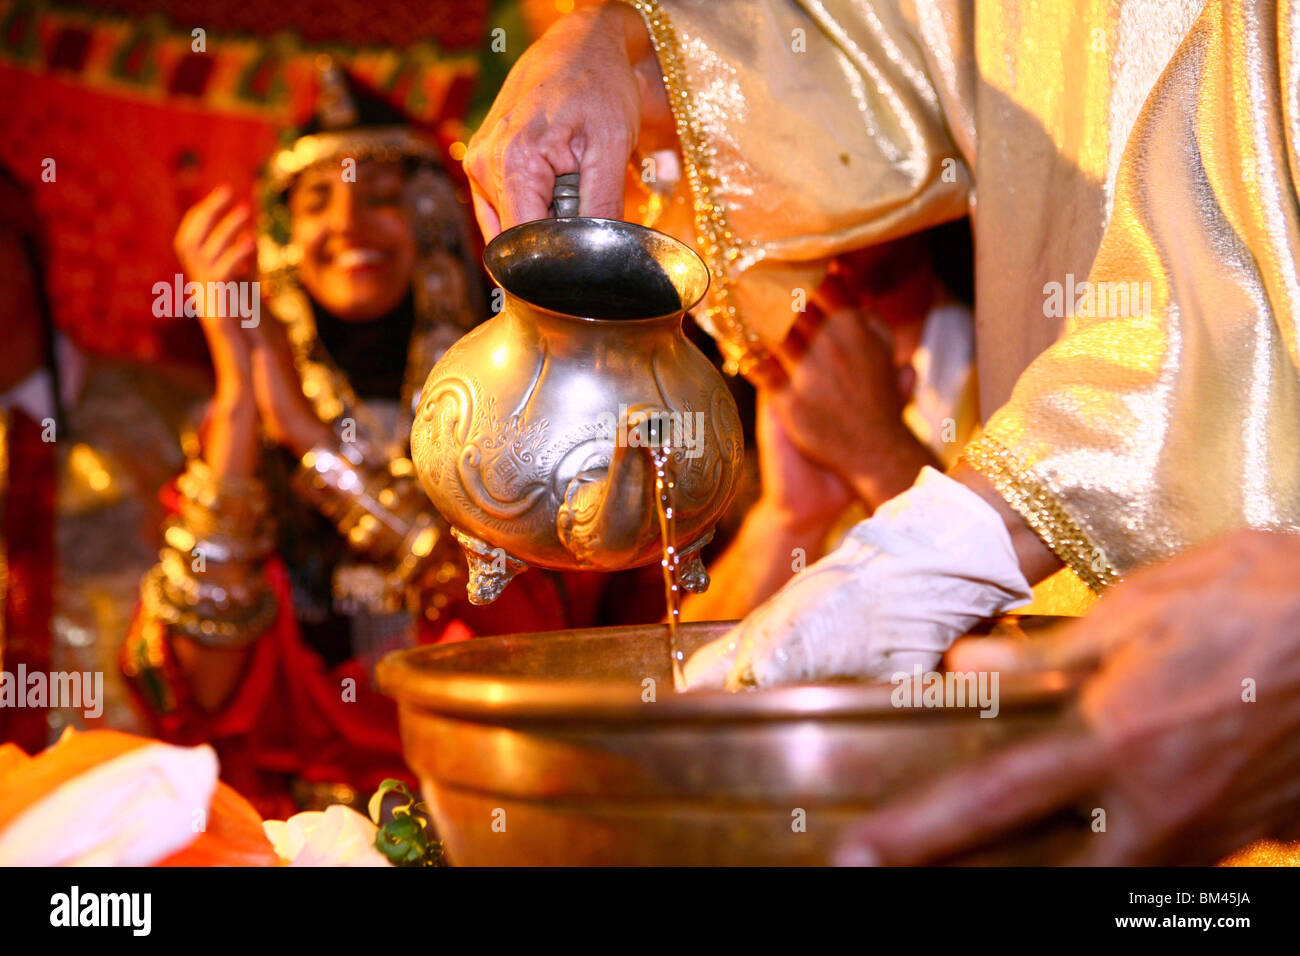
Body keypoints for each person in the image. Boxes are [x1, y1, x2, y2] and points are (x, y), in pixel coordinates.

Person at [464, 0, 1299, 689]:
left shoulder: (954, 373)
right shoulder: (807, 370)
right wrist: (620, 41)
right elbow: (858, 47)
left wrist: (932, 540)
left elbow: (1236, 269)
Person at [120, 62, 608, 817]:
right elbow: (192, 694)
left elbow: (532, 652)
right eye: (317, 203)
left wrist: (313, 443)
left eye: (381, 198)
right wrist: (246, 393)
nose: (347, 226)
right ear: (284, 243)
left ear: (436, 225)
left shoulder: (516, 407)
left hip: (492, 817)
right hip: (300, 839)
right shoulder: (240, 432)